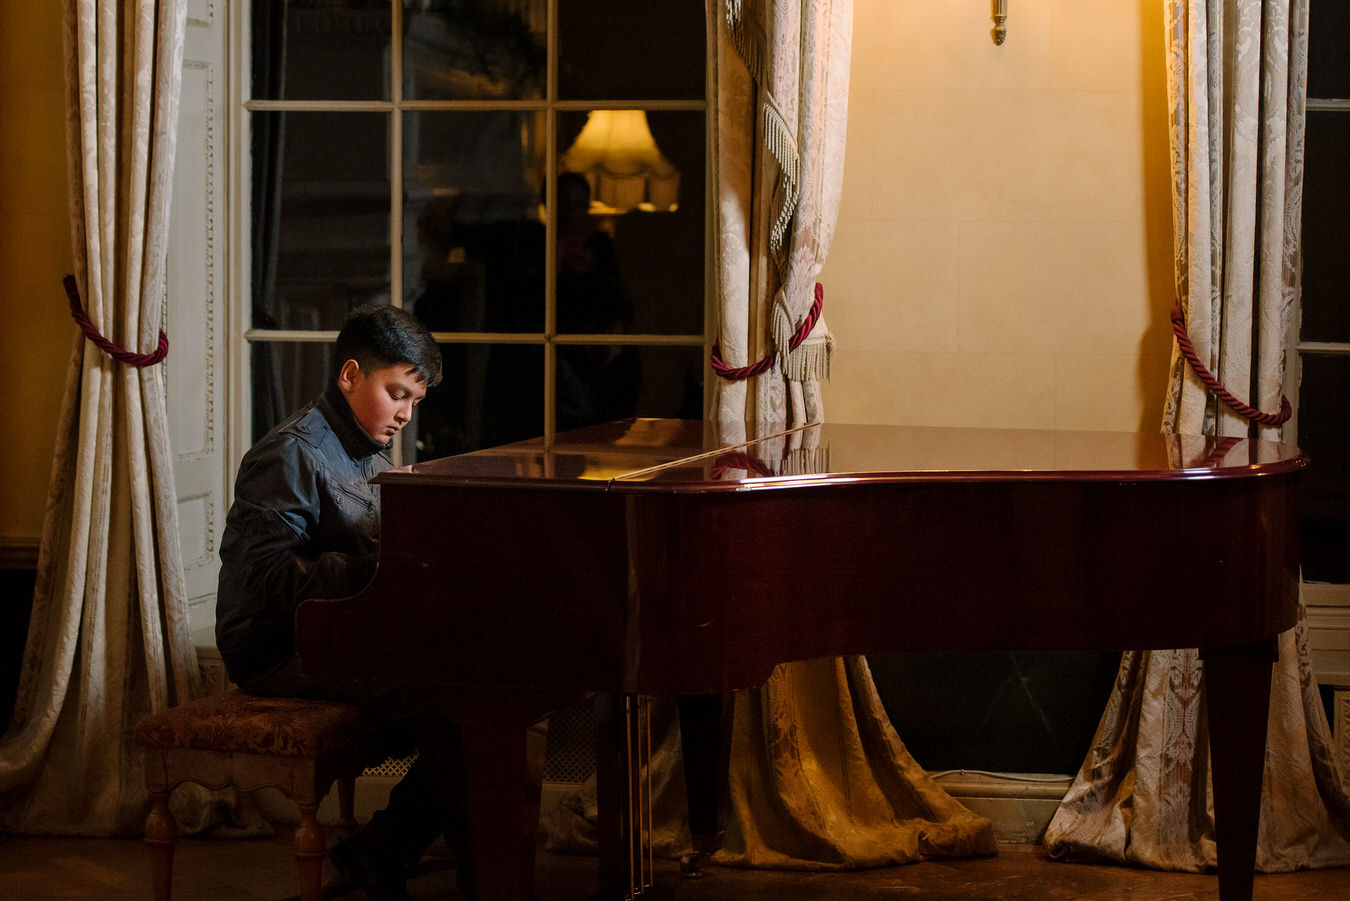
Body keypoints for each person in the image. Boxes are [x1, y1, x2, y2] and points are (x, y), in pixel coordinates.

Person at [215, 303, 470, 901]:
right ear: (350, 375)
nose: (406, 415)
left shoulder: (365, 448)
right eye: (398, 393)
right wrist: (379, 570)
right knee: (456, 709)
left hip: (333, 632)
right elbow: (265, 581)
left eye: (416, 401)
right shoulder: (290, 454)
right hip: (275, 647)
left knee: (471, 692)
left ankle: (406, 854)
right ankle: (380, 852)